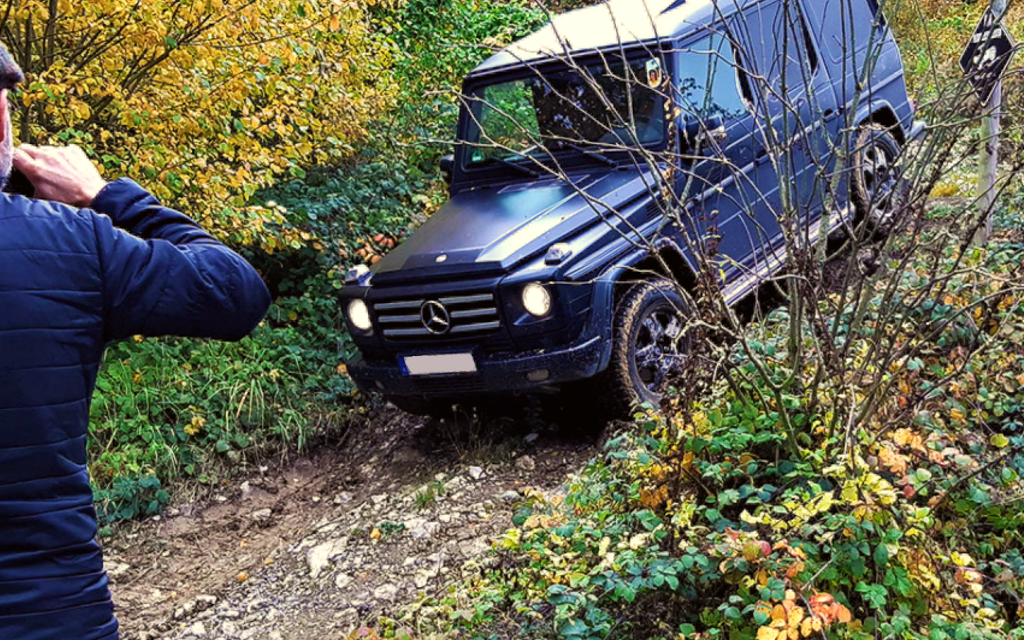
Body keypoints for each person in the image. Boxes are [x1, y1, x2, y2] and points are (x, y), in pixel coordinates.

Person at [0, 43, 272, 639]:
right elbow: (234, 292)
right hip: (54, 615)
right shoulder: (73, 244)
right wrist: (104, 196)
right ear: (2, 120)